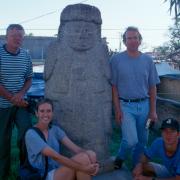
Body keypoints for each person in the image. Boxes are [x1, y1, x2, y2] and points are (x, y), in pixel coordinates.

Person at [110, 26, 160, 168]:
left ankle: (136, 168)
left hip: (145, 107)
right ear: (125, 41)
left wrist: (153, 110)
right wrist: (117, 110)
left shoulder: (148, 60)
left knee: (143, 140)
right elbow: (114, 87)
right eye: (129, 38)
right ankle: (120, 157)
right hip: (126, 106)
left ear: (140, 40)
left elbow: (152, 87)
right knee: (131, 140)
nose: (132, 40)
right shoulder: (116, 60)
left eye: (135, 37)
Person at [25, 98, 99, 180]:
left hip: (58, 170)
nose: (45, 114)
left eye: (48, 111)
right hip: (43, 175)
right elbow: (56, 157)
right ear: (36, 113)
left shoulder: (55, 130)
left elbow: (76, 149)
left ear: (52, 113)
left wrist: (95, 162)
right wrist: (84, 168)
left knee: (90, 154)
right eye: (42, 111)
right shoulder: (31, 134)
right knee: (83, 159)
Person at [0, 24, 32, 178]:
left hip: (21, 105)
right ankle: (3, 172)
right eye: (14, 35)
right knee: (2, 139)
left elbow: (29, 78)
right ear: (6, 37)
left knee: (27, 133)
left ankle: (25, 169)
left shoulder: (26, 56)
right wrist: (12, 98)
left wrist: (20, 94)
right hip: (2, 106)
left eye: (20, 36)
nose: (17, 38)